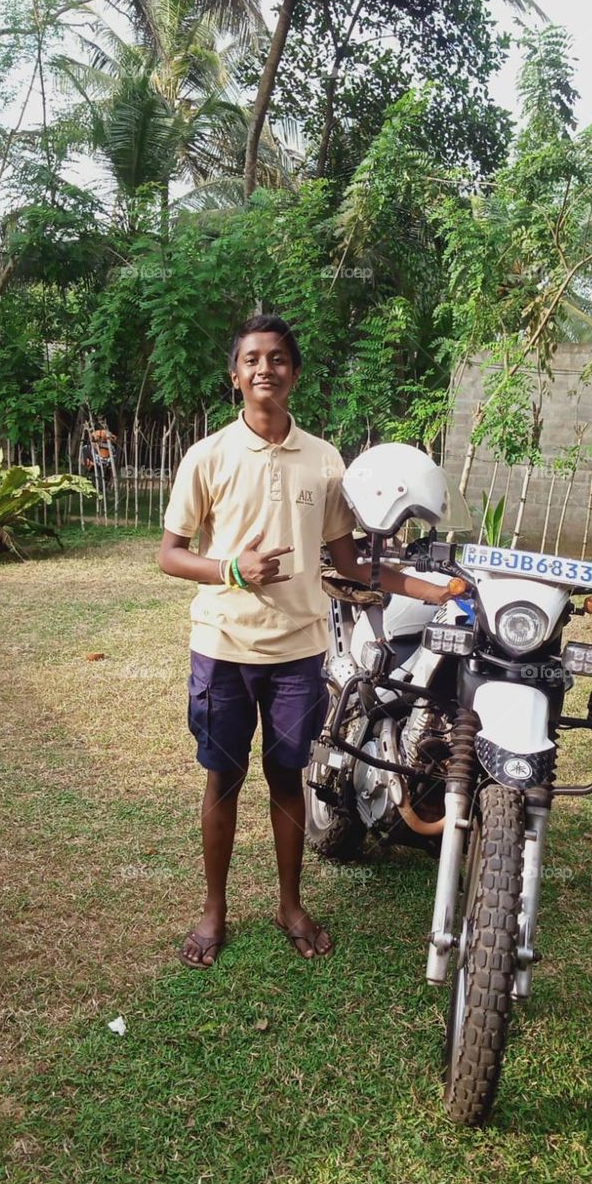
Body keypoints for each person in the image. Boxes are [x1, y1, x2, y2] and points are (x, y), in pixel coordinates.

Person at [158, 314, 450, 968]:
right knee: (223, 783)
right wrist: (233, 569)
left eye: (279, 358)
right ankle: (214, 909)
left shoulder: (324, 460)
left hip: (297, 653)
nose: (266, 368)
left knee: (287, 780)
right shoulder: (207, 457)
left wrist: (429, 591)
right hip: (224, 647)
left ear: (294, 372)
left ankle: (290, 903)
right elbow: (171, 555)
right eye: (253, 359)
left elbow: (348, 563)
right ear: (236, 376)